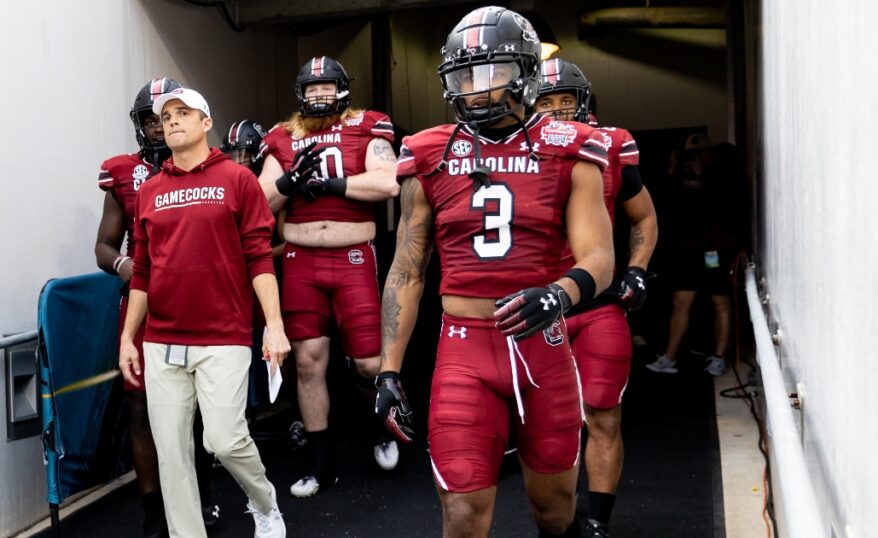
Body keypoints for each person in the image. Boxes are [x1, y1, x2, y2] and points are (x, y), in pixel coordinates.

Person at [375, 6, 614, 537]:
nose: (477, 89)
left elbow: (599, 256)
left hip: (542, 345)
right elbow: (407, 270)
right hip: (464, 348)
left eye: (493, 72)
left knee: (554, 510)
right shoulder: (428, 151)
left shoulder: (569, 146)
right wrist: (388, 368)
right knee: (462, 514)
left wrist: (558, 294)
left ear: (526, 72)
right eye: (465, 75)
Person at [118, 87, 287, 538]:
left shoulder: (237, 180)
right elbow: (142, 271)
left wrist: (274, 327)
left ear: (205, 122)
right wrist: (127, 339)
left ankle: (264, 502)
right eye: (166, 115)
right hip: (161, 342)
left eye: (183, 113)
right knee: (172, 456)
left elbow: (259, 257)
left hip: (223, 336)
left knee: (224, 441)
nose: (172, 121)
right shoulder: (151, 191)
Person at [257, 56, 400, 497]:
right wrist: (288, 186)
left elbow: (390, 181)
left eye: (327, 86)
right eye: (312, 88)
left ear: (342, 88)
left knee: (368, 363)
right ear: (301, 93)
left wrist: (335, 185)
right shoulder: (282, 136)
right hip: (301, 260)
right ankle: (321, 464)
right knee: (307, 362)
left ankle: (380, 427)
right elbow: (258, 202)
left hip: (354, 256)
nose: (319, 94)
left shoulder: (369, 124)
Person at [534, 59, 658, 538]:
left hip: (599, 303)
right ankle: (557, 518)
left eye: (567, 100)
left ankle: (597, 521)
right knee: (547, 422)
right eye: (548, 102)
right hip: (541, 308)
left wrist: (637, 270)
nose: (560, 111)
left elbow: (644, 218)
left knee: (603, 412)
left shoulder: (609, 145)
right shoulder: (512, 151)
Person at [94, 77, 220, 536]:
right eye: (152, 119)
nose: (160, 127)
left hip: (200, 299)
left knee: (202, 407)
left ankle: (203, 494)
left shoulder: (214, 167)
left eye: (170, 116)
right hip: (145, 303)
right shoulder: (124, 173)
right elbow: (104, 246)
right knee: (141, 405)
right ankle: (153, 512)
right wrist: (128, 264)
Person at [646, 133, 736, 376]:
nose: (696, 158)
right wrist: (674, 170)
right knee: (680, 303)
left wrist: (702, 176)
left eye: (701, 153)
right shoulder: (677, 178)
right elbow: (663, 203)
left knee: (719, 302)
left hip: (714, 251)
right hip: (688, 251)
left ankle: (718, 357)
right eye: (691, 154)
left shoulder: (721, 176)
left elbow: (725, 206)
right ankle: (670, 357)